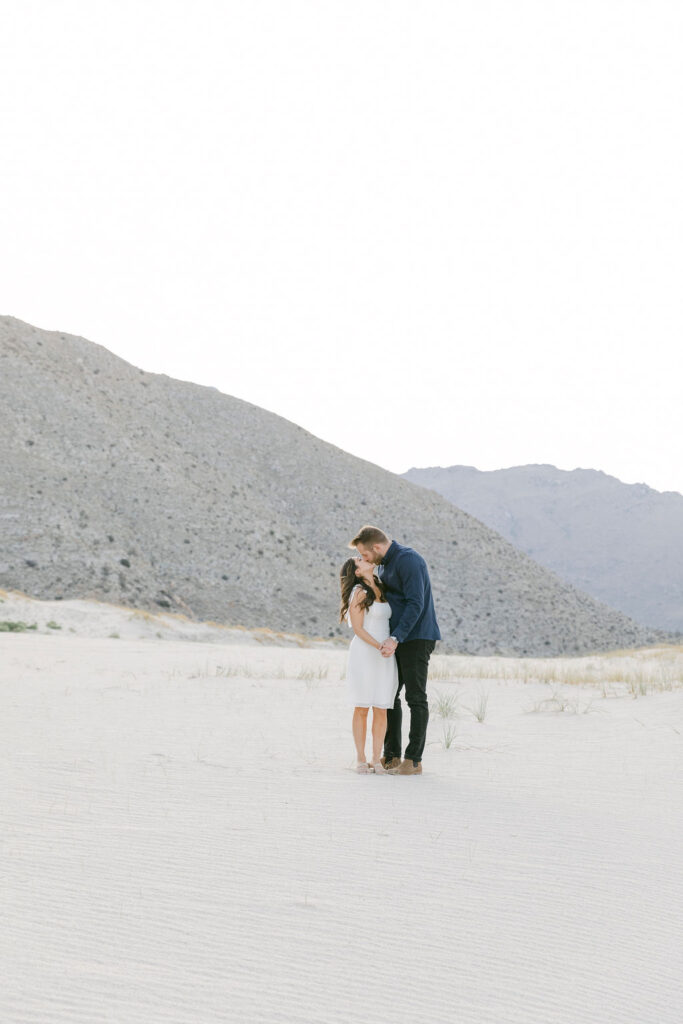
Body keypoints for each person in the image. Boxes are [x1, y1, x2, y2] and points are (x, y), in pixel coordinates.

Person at [349, 525, 441, 776]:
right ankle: (391, 755)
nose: (365, 559)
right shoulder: (384, 565)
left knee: (415, 697)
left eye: (365, 555)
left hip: (416, 637)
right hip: (394, 639)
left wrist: (395, 637)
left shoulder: (408, 560)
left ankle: (413, 759)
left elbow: (416, 603)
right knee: (389, 696)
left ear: (376, 547)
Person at [339, 553, 399, 774]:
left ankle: (376, 757)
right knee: (362, 706)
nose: (365, 559)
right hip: (366, 651)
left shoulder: (382, 589)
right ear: (357, 572)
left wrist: (388, 646)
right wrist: (378, 646)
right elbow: (358, 628)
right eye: (360, 560)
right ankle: (361, 758)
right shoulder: (359, 592)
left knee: (382, 707)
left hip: (385, 652)